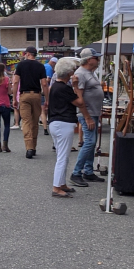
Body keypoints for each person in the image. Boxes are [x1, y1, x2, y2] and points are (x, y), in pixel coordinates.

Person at [48, 57, 83, 197]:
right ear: (68, 73)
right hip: (64, 123)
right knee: (62, 157)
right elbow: (80, 102)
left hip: (55, 122)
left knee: (62, 155)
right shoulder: (65, 88)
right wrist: (76, 86)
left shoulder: (54, 86)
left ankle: (61, 183)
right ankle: (56, 187)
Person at [70, 48, 105, 184]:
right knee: (89, 142)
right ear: (89, 60)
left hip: (93, 112)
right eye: (95, 57)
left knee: (92, 142)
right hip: (88, 113)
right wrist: (87, 116)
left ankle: (88, 171)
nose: (98, 59)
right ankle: (76, 172)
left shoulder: (91, 72)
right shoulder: (81, 74)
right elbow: (79, 97)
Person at [12, 46, 48, 159]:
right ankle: (34, 146)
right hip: (37, 95)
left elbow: (16, 82)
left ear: (27, 54)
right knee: (35, 121)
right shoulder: (40, 66)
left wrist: (14, 98)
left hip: (24, 95)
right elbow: (44, 84)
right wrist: (47, 99)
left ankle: (29, 147)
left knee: (26, 121)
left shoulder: (21, 65)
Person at [0, 62, 12, 153]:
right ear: (4, 69)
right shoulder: (7, 79)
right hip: (5, 103)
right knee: (7, 125)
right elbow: (9, 92)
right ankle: (5, 145)